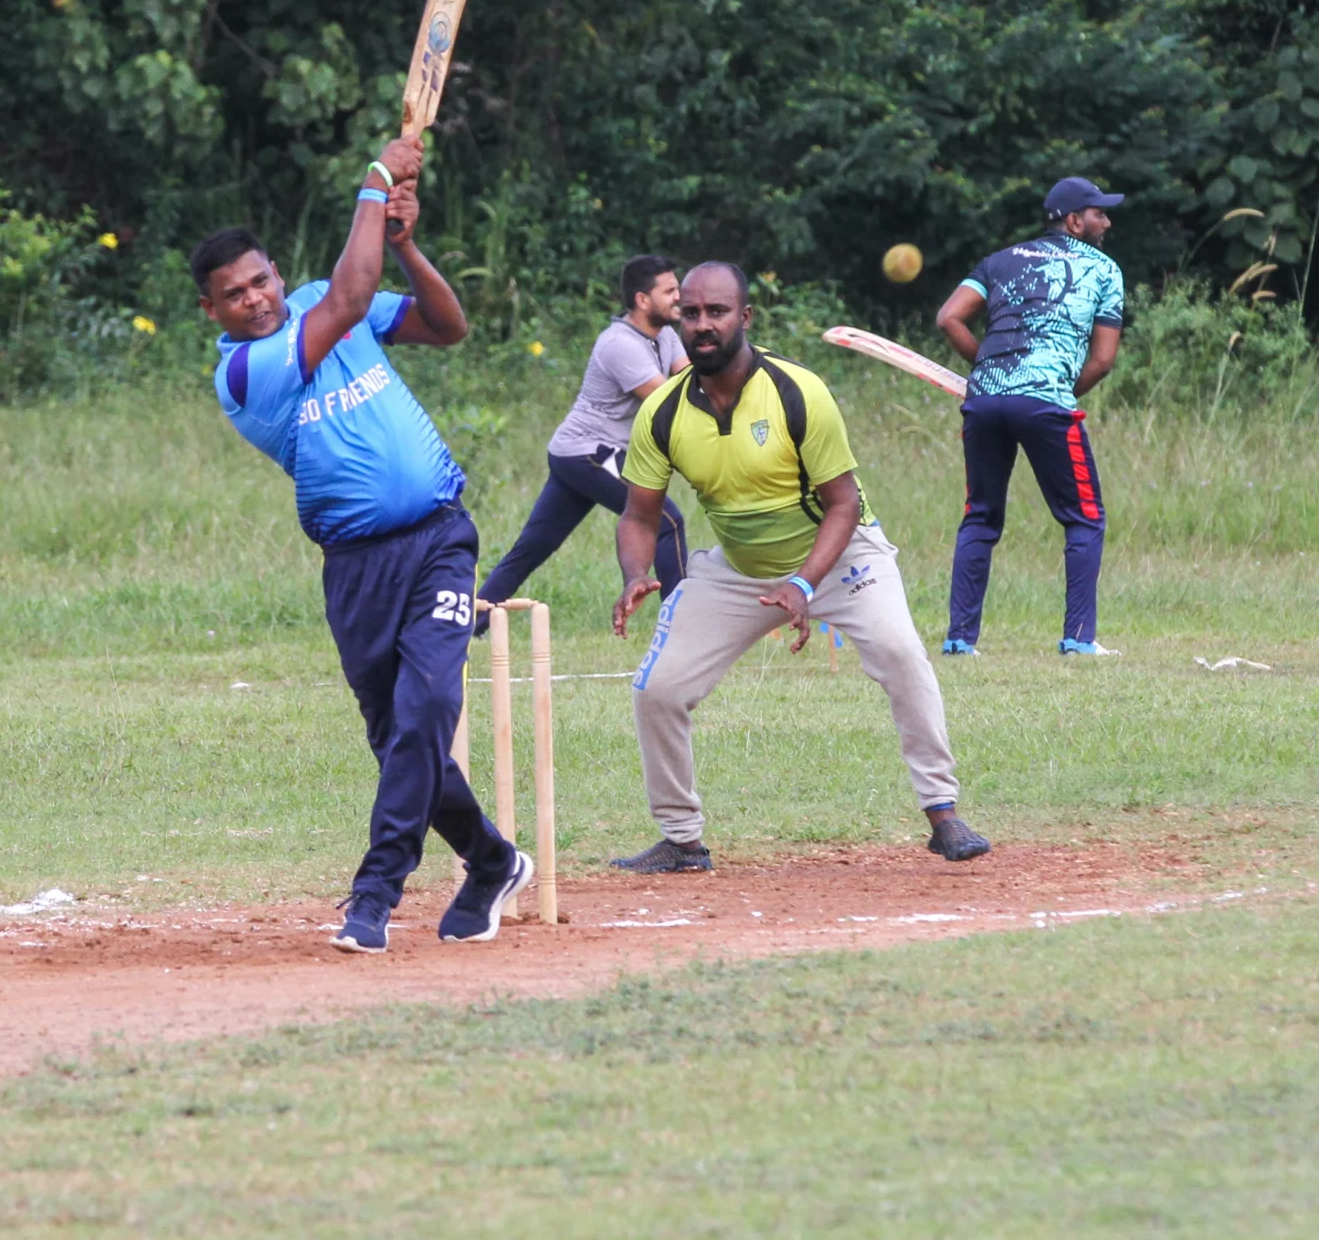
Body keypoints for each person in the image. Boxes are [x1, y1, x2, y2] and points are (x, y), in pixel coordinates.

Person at [195, 138, 534, 953]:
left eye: (260, 281)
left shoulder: (318, 298)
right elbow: (349, 299)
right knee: (399, 742)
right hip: (355, 569)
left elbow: (446, 326)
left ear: (279, 273)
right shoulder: (245, 373)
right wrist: (377, 185)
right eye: (232, 295)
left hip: (440, 541)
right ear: (212, 312)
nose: (254, 300)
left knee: (424, 714)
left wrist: (408, 246)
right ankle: (491, 860)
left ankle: (374, 895)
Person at [609, 261, 991, 873]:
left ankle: (943, 814)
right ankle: (682, 841)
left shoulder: (797, 391)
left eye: (717, 312)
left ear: (745, 318)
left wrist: (804, 583)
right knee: (658, 690)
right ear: (675, 320)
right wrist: (634, 574)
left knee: (899, 651)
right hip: (740, 571)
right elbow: (638, 517)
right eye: (691, 313)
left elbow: (843, 504)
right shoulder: (662, 413)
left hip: (840, 558)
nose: (703, 325)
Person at [933, 176, 1126, 657]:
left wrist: (987, 369)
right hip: (1044, 402)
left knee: (980, 517)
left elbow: (949, 317)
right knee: (1084, 518)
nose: (1107, 220)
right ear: (1073, 220)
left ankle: (959, 640)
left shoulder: (1000, 260)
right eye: (1098, 213)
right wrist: (1055, 389)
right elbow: (1102, 360)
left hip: (984, 400)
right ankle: (1079, 640)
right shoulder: (1103, 269)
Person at [476, 254, 693, 605]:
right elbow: (672, 401)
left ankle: (476, 619)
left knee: (533, 547)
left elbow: (689, 380)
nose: (678, 297)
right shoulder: (620, 344)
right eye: (669, 291)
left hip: (582, 453)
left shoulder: (665, 334)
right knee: (666, 520)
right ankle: (680, 623)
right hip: (589, 452)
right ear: (642, 300)